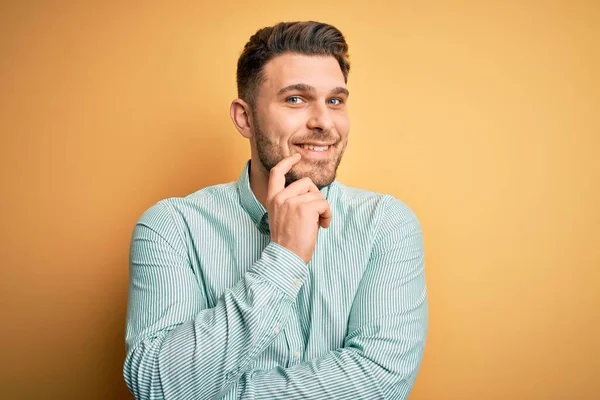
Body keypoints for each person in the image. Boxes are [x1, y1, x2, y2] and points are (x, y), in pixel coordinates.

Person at [123, 20, 428, 400]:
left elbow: (382, 380)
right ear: (245, 118)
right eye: (296, 99)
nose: (323, 122)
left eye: (335, 100)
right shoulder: (171, 228)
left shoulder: (386, 224)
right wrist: (284, 258)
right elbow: (157, 386)